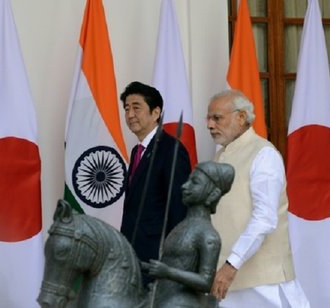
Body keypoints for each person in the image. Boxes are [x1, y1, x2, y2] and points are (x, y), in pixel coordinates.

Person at [207, 89, 310, 308]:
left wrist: (231, 265)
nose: (210, 125)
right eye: (209, 118)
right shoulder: (218, 157)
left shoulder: (264, 154)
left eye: (217, 118)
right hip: (227, 283)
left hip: (264, 285)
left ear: (241, 117)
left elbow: (264, 218)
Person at [120, 81, 191, 288]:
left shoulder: (171, 149)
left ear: (156, 112)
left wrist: (173, 262)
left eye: (136, 107)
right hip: (134, 253)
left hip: (158, 257)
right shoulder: (137, 152)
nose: (130, 114)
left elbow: (179, 208)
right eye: (126, 108)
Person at [142, 161, 234, 308]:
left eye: (195, 183)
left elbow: (206, 282)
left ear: (212, 194)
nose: (185, 186)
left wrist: (167, 272)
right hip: (161, 296)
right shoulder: (181, 226)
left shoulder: (208, 235)